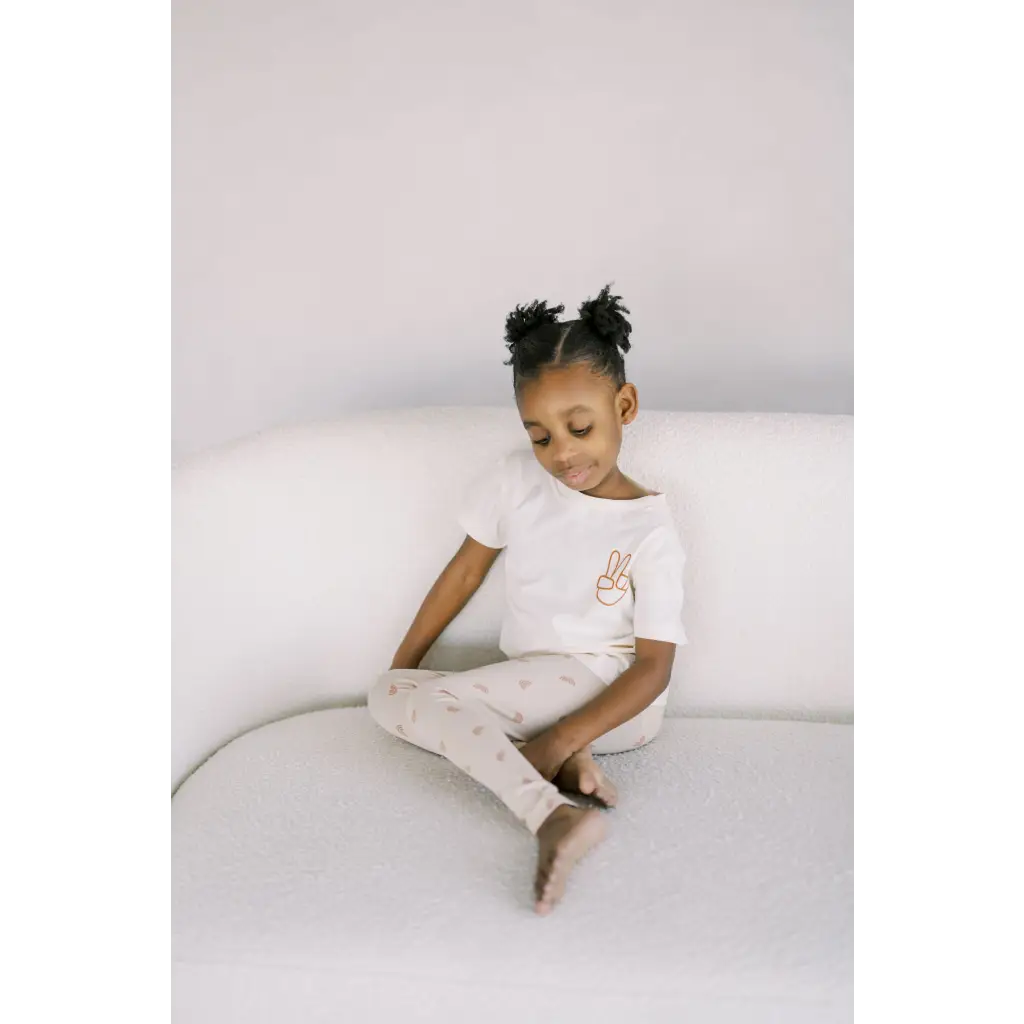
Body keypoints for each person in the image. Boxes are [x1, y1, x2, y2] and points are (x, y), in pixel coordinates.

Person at [367, 284, 688, 915]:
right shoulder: (517, 481)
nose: (562, 453)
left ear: (624, 405)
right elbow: (462, 574)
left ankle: (552, 816)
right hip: (534, 685)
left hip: (617, 697)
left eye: (579, 427)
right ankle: (573, 767)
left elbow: (655, 666)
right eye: (541, 437)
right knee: (387, 692)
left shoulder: (649, 530)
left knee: (431, 701)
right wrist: (406, 665)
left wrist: (556, 738)